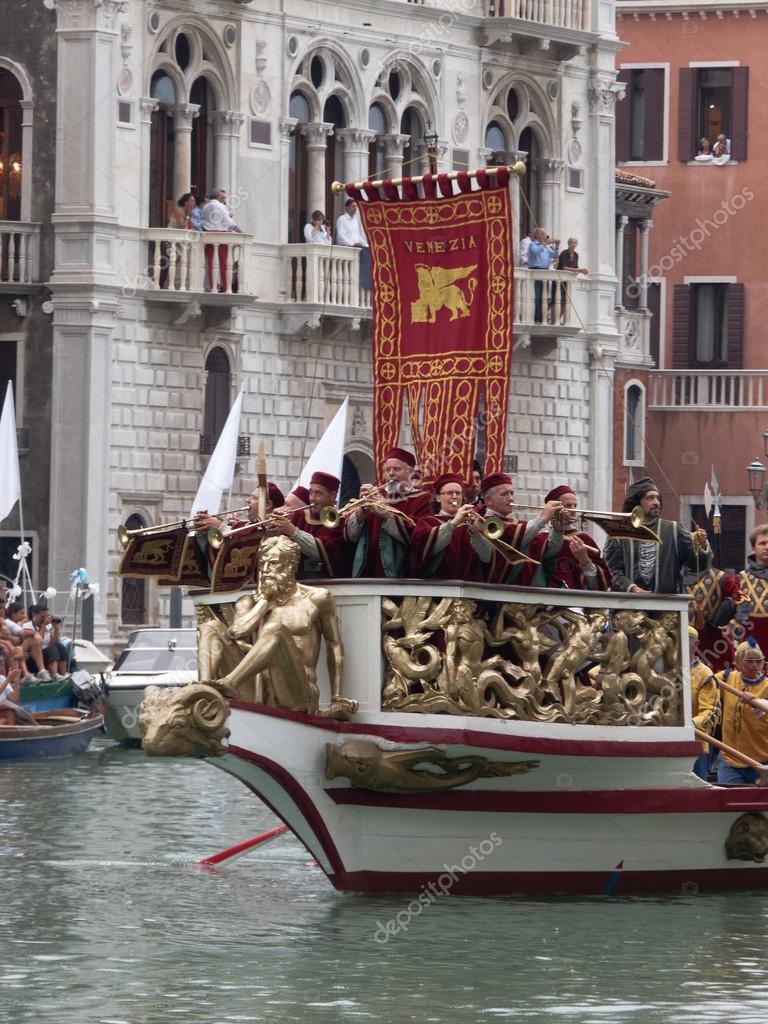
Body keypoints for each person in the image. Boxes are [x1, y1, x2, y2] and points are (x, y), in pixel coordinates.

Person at [211, 536, 350, 716]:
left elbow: (334, 645)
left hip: (297, 692)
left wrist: (336, 696)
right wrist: (264, 602)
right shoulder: (250, 601)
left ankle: (229, 682)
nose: (266, 571)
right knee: (211, 627)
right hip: (257, 690)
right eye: (263, 565)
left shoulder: (317, 598)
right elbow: (236, 632)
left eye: (273, 564)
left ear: (291, 566)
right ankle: (205, 692)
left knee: (275, 629)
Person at [604, 477, 711, 594]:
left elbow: (698, 566)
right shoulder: (618, 533)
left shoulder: (674, 530)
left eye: (658, 498)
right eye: (650, 498)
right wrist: (631, 588)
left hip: (666, 603)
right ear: (636, 503)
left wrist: (702, 545)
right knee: (630, 614)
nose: (656, 502)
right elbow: (611, 572)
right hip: (629, 604)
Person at [347, 447, 431, 578]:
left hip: (400, 575)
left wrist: (385, 511)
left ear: (410, 473)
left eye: (397, 469)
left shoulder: (421, 499)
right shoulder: (375, 494)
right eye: (387, 470)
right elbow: (352, 536)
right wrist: (360, 510)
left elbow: (418, 536)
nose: (391, 473)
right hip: (367, 572)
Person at [479, 473, 562, 585]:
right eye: (504, 494)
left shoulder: (518, 525)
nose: (511, 498)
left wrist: (558, 528)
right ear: (489, 500)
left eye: (511, 493)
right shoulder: (485, 523)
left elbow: (549, 550)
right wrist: (543, 518)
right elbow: (513, 538)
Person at [410, 474, 492, 581]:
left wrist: (475, 533)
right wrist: (453, 524)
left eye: (458, 493)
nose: (454, 496)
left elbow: (486, 557)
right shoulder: (427, 522)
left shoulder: (472, 524)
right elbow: (427, 550)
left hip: (468, 588)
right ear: (438, 498)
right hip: (437, 587)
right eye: (449, 493)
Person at [273, 471, 352, 579]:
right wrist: (274, 528)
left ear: (333, 496)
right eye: (311, 493)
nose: (312, 498)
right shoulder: (300, 515)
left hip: (325, 583)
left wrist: (293, 532)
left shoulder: (339, 520)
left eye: (318, 493)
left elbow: (325, 552)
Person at [535, 484, 610, 590]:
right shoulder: (541, 538)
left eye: (575, 505)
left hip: (576, 600)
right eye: (568, 505)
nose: (573, 510)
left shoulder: (585, 539)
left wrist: (585, 561)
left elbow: (599, 586)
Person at [717, 639, 768, 784]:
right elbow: (706, 681)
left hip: (761, 760)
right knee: (728, 804)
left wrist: (757, 703)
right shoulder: (727, 678)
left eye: (758, 661)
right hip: (730, 759)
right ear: (738, 662)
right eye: (749, 661)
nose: (754, 665)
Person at [684, 567, 744, 672]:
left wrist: (732, 625)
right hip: (681, 640)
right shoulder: (673, 575)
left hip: (715, 643)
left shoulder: (722, 578)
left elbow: (743, 601)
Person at [688, 626, 720, 780]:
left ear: (696, 645)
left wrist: (689, 724)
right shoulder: (663, 670)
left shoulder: (705, 674)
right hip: (667, 742)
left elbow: (711, 713)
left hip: (696, 743)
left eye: (686, 642)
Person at [201, 188, 242, 292]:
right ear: (219, 197)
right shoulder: (220, 206)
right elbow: (230, 223)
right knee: (224, 263)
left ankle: (213, 285)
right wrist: (242, 233)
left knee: (211, 263)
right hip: (221, 236)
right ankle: (224, 287)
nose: (224, 200)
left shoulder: (205, 207)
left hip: (209, 237)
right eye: (223, 198)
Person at [335, 198, 371, 291]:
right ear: (347, 208)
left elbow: (358, 235)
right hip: (347, 250)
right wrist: (351, 244)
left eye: (356, 206)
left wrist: (367, 245)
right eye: (353, 206)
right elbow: (340, 236)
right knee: (347, 275)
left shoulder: (355, 220)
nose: (355, 208)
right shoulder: (341, 219)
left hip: (357, 250)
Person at [526, 227, 558, 324]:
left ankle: (542, 318)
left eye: (545, 234)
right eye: (542, 234)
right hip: (536, 271)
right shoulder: (533, 244)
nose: (544, 236)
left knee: (544, 297)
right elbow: (535, 252)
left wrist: (557, 246)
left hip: (545, 273)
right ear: (536, 235)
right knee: (537, 297)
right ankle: (536, 318)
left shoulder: (546, 247)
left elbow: (555, 255)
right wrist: (544, 244)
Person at [556, 238, 588, 324]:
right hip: (560, 280)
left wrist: (583, 271)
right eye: (571, 243)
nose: (573, 244)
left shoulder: (576, 255)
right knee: (559, 300)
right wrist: (579, 270)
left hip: (569, 282)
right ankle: (554, 319)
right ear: (568, 244)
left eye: (575, 243)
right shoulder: (564, 253)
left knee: (566, 301)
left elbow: (575, 267)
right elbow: (564, 267)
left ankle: (558, 319)